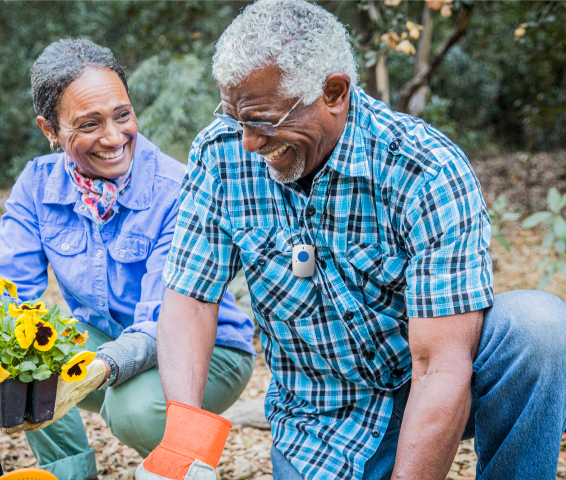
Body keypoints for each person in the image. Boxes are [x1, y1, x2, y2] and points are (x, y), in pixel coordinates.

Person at [146, 1, 566, 479]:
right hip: (317, 420)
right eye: (235, 118)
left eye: (263, 121)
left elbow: (440, 368)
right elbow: (190, 298)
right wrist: (182, 441)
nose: (248, 142)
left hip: (428, 388)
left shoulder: (423, 170)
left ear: (333, 92)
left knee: (539, 328)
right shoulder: (220, 154)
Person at [0, 38, 256, 480]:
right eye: (88, 124)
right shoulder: (37, 186)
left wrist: (102, 367)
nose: (113, 137)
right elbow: (1, 298)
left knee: (132, 409)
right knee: (22, 350)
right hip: (107, 335)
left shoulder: (175, 189)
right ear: (50, 130)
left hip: (208, 348)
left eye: (122, 115)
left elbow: (163, 319)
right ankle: (69, 474)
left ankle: (187, 464)